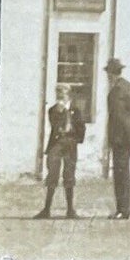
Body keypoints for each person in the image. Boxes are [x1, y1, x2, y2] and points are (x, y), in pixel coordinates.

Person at [34, 83, 85, 220]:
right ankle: (46, 209)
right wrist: (61, 112)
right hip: (56, 144)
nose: (60, 98)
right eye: (58, 95)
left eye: (63, 95)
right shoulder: (53, 110)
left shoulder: (76, 110)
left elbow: (81, 128)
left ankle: (70, 210)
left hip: (70, 145)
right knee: (52, 174)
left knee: (69, 175)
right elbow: (55, 126)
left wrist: (75, 140)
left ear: (69, 95)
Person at [104, 57, 130, 220]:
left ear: (111, 74)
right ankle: (123, 208)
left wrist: (114, 139)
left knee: (120, 173)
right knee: (123, 171)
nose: (108, 77)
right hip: (128, 137)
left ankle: (123, 210)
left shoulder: (118, 91)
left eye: (108, 73)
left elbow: (116, 117)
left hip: (121, 138)